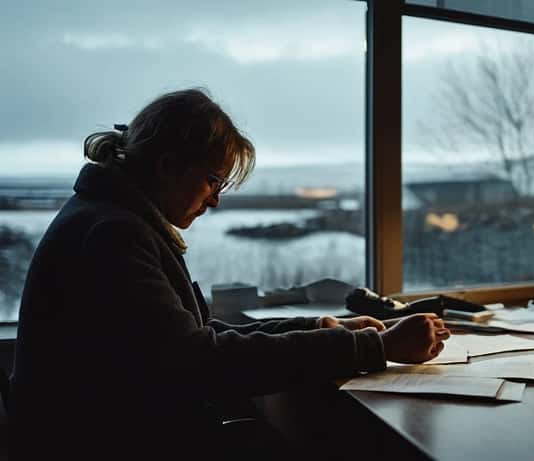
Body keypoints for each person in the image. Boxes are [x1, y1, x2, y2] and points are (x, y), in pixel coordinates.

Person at [9, 89, 450, 460]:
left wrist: (320, 326)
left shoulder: (111, 218)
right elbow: (198, 361)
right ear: (167, 166)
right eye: (212, 181)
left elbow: (189, 338)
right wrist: (371, 346)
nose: (215, 200)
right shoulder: (114, 234)